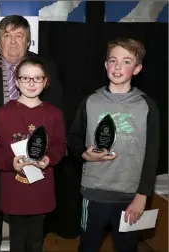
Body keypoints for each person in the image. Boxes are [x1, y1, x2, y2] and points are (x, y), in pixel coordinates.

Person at [0, 15, 63, 252]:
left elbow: (55, 110)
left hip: (36, 158)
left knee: (31, 219)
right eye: (6, 36)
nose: (12, 42)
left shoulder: (44, 67)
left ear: (28, 41)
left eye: (19, 36)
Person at [67, 38, 160, 252]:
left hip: (130, 196)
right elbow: (73, 138)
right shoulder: (91, 101)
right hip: (94, 192)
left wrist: (142, 197)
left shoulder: (146, 106)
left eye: (126, 62)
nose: (118, 67)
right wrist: (84, 154)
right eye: (113, 60)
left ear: (137, 69)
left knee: (126, 247)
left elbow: (152, 154)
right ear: (105, 65)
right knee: (88, 246)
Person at [0, 57, 67, 252]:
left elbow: (60, 144)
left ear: (45, 81)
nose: (31, 83)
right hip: (14, 187)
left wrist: (49, 158)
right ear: (16, 81)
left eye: (37, 78)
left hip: (41, 186)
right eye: (25, 78)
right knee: (17, 241)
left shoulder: (54, 113)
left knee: (35, 241)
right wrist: (9, 162)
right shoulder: (4, 113)